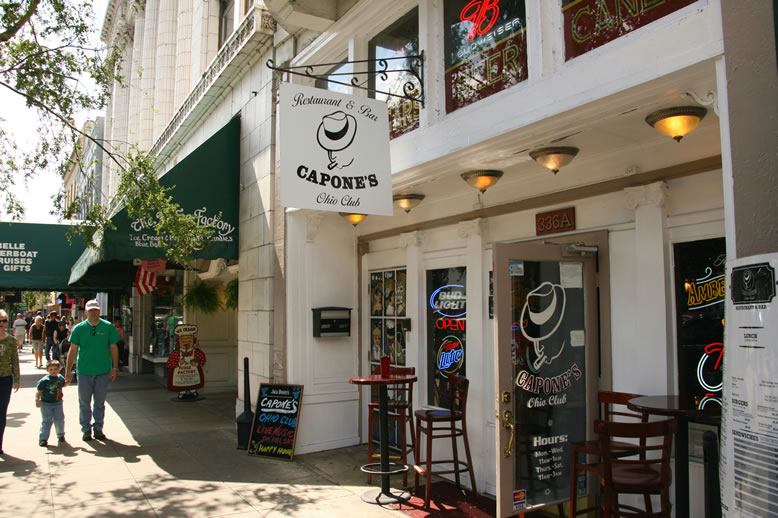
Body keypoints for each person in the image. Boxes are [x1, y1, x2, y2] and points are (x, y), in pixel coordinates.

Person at [65, 300, 120, 442]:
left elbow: (113, 347)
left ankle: (98, 428)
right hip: (84, 370)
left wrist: (115, 367)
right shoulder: (79, 328)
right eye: (91, 310)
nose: (93, 312)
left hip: (103, 370)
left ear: (99, 311)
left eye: (95, 310)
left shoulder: (108, 327)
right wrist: (67, 370)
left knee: (100, 402)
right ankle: (86, 429)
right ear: (86, 312)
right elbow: (73, 349)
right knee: (84, 402)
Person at [0, 310, 21, 455]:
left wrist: (17, 379)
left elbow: (15, 360)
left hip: (5, 379)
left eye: (4, 320)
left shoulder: (11, 341)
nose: (1, 323)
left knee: (1, 413)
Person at [36, 360, 67, 447]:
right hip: (46, 403)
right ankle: (43, 438)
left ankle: (60, 435)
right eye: (51, 369)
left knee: (60, 419)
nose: (54, 371)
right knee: (46, 420)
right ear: (47, 370)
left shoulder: (60, 378)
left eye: (56, 369)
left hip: (58, 402)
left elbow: (63, 385)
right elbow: (39, 391)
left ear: (59, 369)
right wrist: (37, 400)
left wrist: (67, 382)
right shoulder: (44, 380)